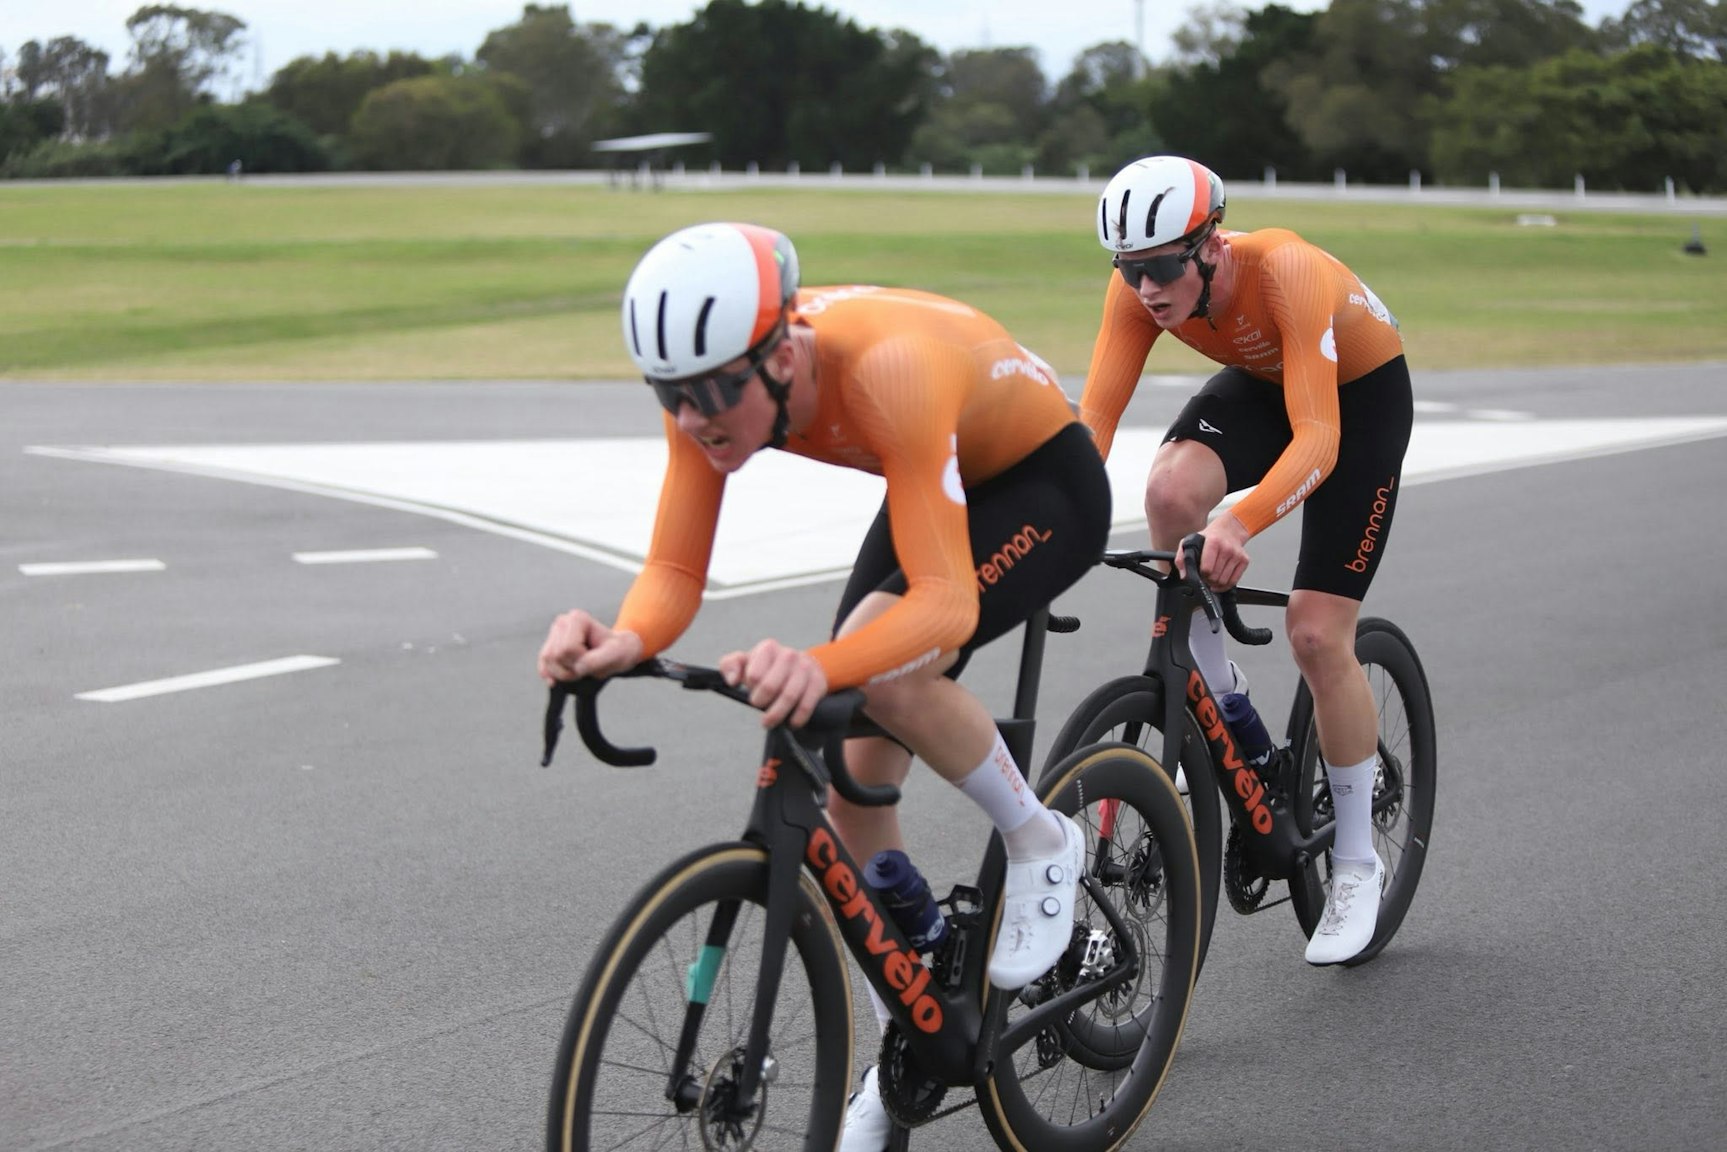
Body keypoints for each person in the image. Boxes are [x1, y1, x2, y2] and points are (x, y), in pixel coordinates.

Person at [537, 221, 1112, 1150]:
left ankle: (1040, 837)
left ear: (781, 352)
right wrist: (621, 639)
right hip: (936, 472)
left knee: (879, 667)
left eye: (718, 392)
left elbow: (944, 607)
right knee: (849, 771)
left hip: (1043, 480)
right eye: (672, 397)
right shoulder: (706, 381)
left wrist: (820, 664)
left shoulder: (889, 370)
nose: (697, 420)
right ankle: (915, 1017)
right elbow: (676, 572)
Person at [1080, 155, 1413, 966]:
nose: (1145, 288)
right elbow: (1092, 420)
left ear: (1210, 246)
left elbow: (1321, 438)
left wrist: (1241, 520)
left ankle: (1357, 866)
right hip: (1264, 383)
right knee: (1166, 494)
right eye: (1128, 269)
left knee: (1312, 632)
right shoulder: (1137, 293)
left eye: (1160, 267)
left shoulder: (1286, 271)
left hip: (1357, 401)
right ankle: (1219, 703)